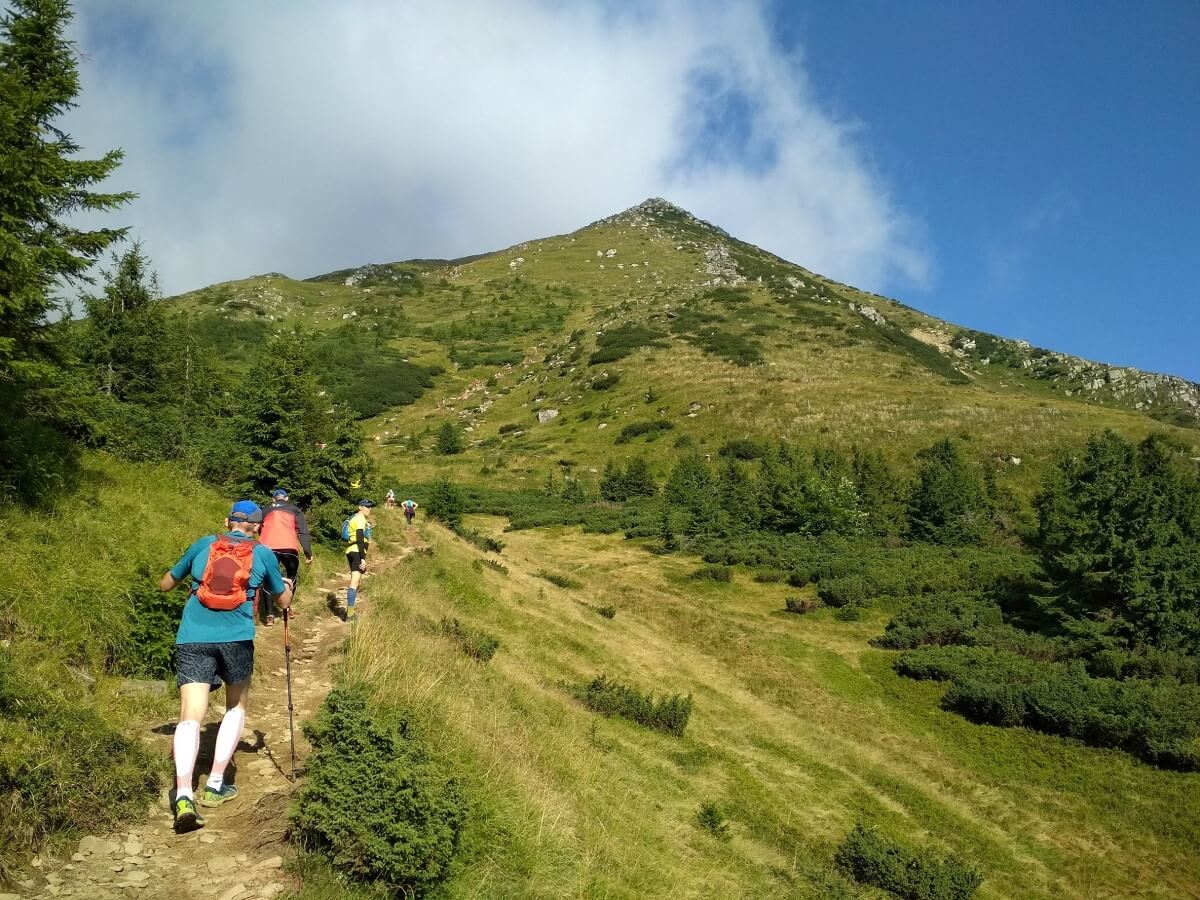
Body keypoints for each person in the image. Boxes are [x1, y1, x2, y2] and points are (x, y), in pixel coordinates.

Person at [159, 500, 294, 833]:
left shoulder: (204, 543)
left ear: (227, 522)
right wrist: (287, 586)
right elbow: (282, 601)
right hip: (236, 638)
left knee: (191, 713)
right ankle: (216, 785)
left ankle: (184, 795)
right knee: (235, 706)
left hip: (193, 636)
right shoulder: (262, 553)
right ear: (258, 528)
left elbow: (165, 583)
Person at [259, 487, 314, 626]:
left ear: (273, 499)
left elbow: (259, 528)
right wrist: (308, 552)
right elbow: (302, 532)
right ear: (287, 498)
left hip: (267, 547)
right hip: (289, 547)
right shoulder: (295, 509)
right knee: (292, 577)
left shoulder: (264, 510)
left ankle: (270, 616)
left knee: (267, 579)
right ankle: (287, 608)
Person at [344, 499, 375, 621]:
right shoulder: (360, 519)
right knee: (355, 582)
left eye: (370, 507)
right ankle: (349, 615)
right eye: (367, 507)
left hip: (351, 550)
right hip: (357, 551)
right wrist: (363, 558)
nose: (370, 509)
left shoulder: (354, 518)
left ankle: (350, 612)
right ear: (360, 507)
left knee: (356, 580)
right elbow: (360, 538)